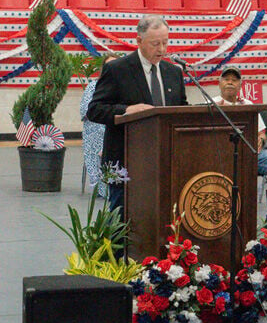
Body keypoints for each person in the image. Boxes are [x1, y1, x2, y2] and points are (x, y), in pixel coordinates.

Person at [87, 15, 188, 212]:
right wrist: (126, 110)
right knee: (122, 220)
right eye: (155, 43)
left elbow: (181, 109)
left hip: (166, 160)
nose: (161, 49)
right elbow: (95, 110)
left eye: (165, 43)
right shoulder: (117, 69)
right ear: (139, 41)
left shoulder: (173, 72)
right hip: (126, 162)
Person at [212, 65, 267, 218]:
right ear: (219, 83)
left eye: (234, 80)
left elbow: (262, 133)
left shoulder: (247, 105)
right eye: (226, 79)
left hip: (250, 155)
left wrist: (261, 138)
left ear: (240, 85)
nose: (230, 83)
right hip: (221, 157)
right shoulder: (212, 104)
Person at [80, 53, 118, 198]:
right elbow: (86, 111)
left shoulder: (126, 87)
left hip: (118, 127)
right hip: (95, 129)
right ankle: (103, 188)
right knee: (97, 133)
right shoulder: (93, 87)